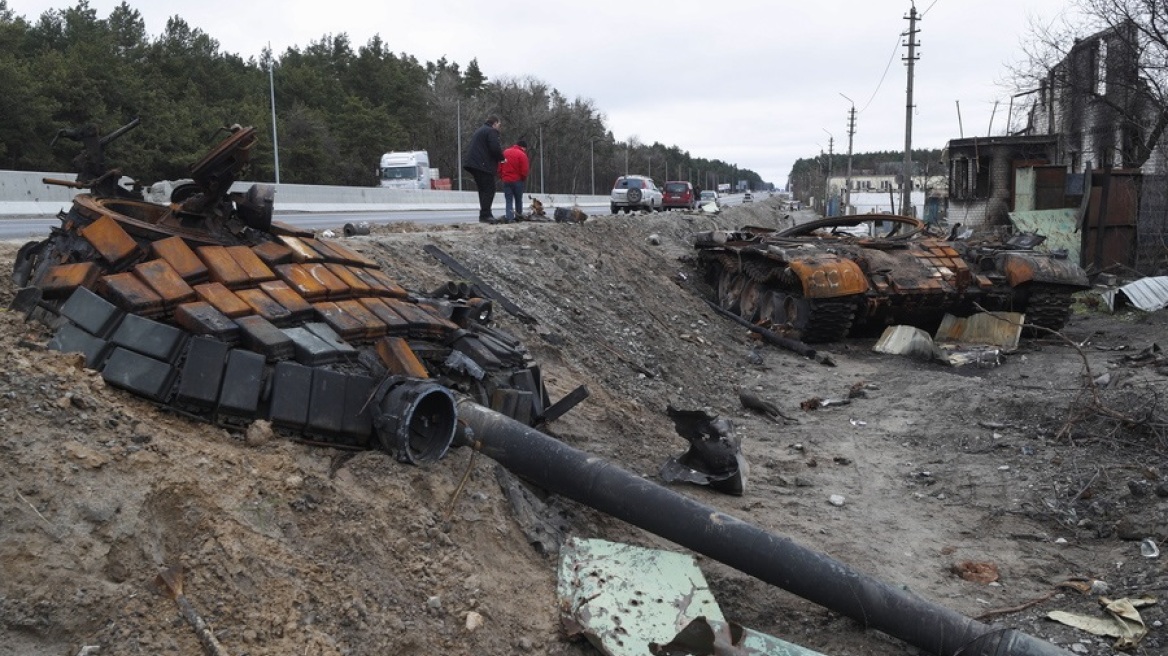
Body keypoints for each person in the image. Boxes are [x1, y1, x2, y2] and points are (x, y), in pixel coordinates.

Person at [462, 116, 505, 223]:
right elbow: (494, 148)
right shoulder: (491, 131)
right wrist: (502, 158)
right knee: (489, 189)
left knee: (483, 190)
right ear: (495, 123)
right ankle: (485, 215)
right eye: (499, 125)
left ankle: (485, 214)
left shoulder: (480, 130)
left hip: (474, 164)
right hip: (483, 165)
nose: (499, 128)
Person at [498, 139, 530, 223]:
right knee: (518, 199)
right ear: (523, 147)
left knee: (509, 200)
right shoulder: (522, 155)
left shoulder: (505, 152)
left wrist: (502, 176)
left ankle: (510, 218)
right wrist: (523, 178)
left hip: (506, 180)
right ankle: (518, 217)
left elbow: (500, 166)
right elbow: (524, 170)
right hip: (517, 181)